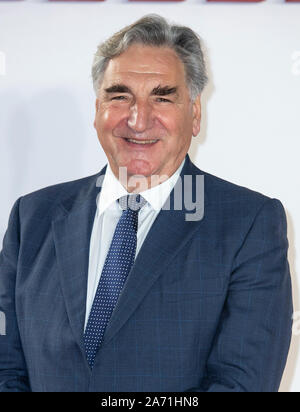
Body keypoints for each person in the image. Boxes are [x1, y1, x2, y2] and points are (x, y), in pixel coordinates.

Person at [0, 14, 293, 392]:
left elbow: (241, 383)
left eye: (163, 96)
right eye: (119, 95)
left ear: (195, 114)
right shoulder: (32, 218)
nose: (138, 120)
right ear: (97, 110)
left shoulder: (249, 225)